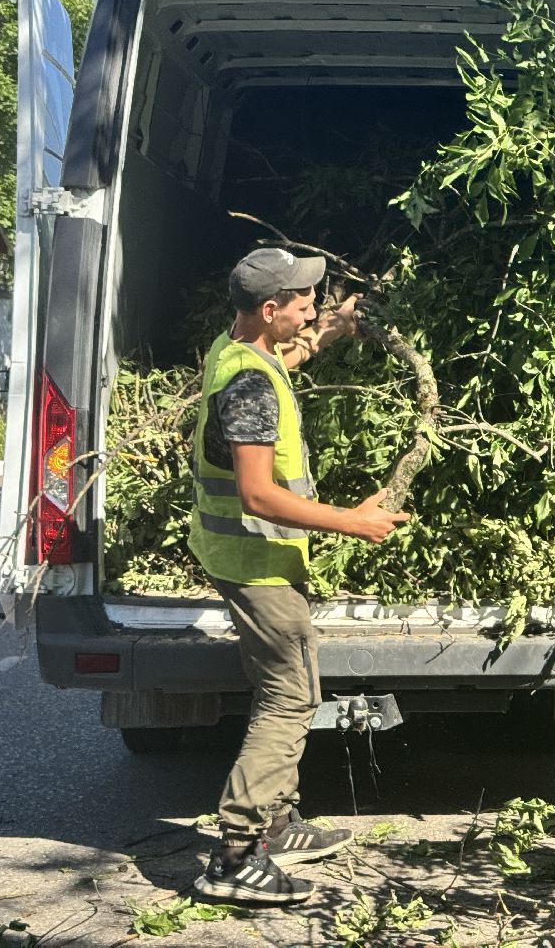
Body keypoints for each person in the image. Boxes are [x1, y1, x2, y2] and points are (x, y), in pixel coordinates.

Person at [189, 247, 410, 904]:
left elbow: (284, 361)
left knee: (289, 685)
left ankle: (278, 822)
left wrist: (335, 325)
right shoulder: (248, 387)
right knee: (289, 699)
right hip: (255, 562)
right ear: (269, 309)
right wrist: (354, 522)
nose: (311, 306)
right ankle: (235, 853)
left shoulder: (240, 353)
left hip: (253, 559)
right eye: (303, 301)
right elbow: (258, 494)